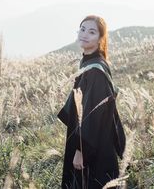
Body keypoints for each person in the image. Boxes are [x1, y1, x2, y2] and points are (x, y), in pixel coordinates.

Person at [57, 15, 126, 189]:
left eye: (92, 31)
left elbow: (92, 114)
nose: (85, 34)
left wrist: (81, 151)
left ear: (100, 39)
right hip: (91, 140)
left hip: (95, 145)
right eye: (82, 29)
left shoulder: (95, 69)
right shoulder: (88, 62)